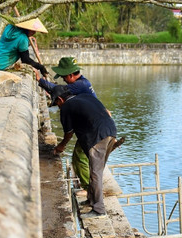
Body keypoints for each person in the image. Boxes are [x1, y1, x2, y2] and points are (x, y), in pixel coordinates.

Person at [54, 92, 122, 218]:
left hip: (98, 136)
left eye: (57, 103)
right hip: (111, 130)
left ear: (60, 99)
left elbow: (69, 133)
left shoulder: (67, 107)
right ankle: (91, 200)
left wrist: (61, 146)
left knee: (95, 173)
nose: (58, 107)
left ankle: (99, 210)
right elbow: (107, 112)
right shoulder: (86, 96)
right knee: (96, 170)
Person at [37, 56, 98, 194]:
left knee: (80, 156)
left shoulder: (79, 85)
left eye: (64, 77)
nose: (63, 79)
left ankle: (89, 189)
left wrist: (39, 80)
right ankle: (90, 186)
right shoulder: (83, 83)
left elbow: (57, 88)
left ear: (71, 75)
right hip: (92, 124)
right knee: (86, 156)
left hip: (93, 127)